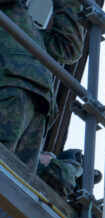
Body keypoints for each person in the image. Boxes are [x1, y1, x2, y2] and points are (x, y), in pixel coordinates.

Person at [0, 0, 84, 168]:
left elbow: (67, 46)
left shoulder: (23, 23)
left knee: (17, 182)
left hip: (40, 103)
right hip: (10, 87)